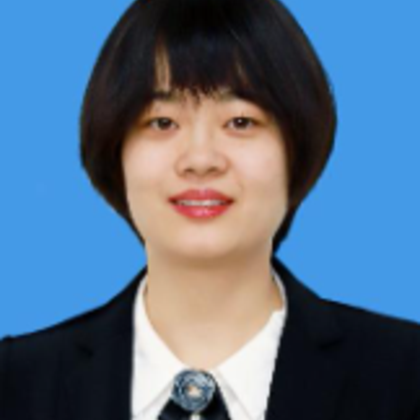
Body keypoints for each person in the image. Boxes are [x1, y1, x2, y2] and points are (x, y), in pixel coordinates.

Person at [1, 0, 419, 418]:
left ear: (297, 148)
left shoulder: (404, 376)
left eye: (240, 121)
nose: (200, 160)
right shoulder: (17, 384)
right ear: (116, 151)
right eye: (162, 122)